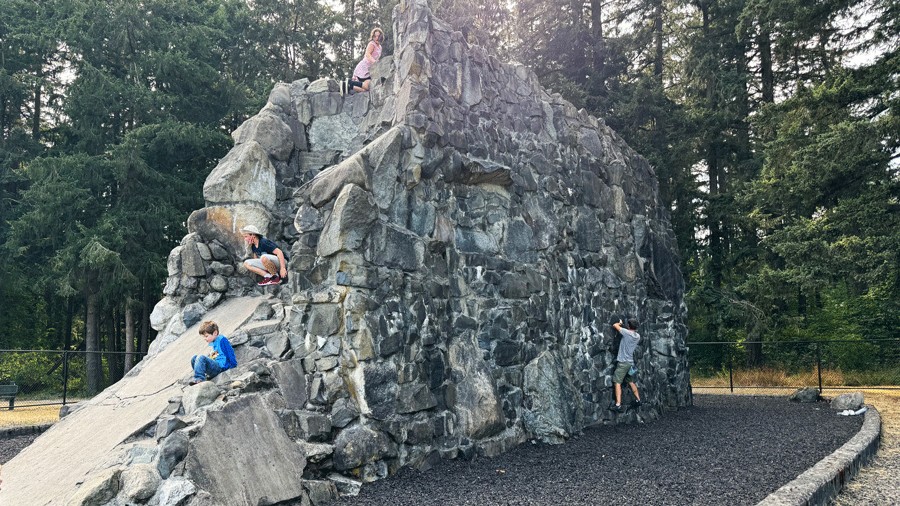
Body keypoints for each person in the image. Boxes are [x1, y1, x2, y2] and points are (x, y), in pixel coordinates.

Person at [189, 321, 237, 385]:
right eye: (204, 337)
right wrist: (210, 357)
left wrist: (233, 365)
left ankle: (199, 379)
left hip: (220, 367)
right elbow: (217, 354)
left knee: (201, 357)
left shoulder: (222, 340)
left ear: (215, 333)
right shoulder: (214, 342)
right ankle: (201, 375)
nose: (204, 339)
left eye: (206, 336)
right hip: (214, 367)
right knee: (194, 358)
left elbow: (229, 351)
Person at [610, 318, 643, 412]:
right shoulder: (637, 336)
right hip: (630, 363)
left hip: (623, 363)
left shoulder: (626, 333)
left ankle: (618, 405)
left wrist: (620, 323)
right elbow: (630, 332)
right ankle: (638, 399)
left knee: (617, 382)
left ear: (629, 326)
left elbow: (615, 326)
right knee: (630, 381)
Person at [341, 27, 384, 95]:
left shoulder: (380, 47)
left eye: (378, 36)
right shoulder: (372, 44)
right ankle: (349, 82)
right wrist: (375, 63)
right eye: (375, 36)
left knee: (366, 88)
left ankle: (348, 86)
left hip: (371, 69)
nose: (377, 38)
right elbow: (367, 54)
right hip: (364, 67)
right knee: (368, 86)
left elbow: (377, 57)